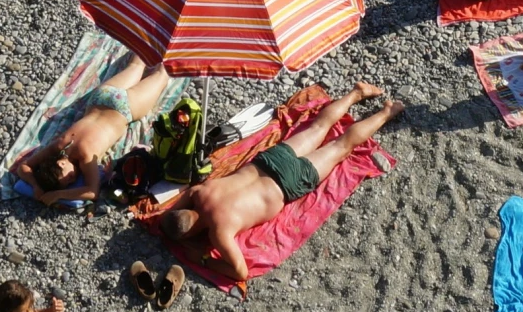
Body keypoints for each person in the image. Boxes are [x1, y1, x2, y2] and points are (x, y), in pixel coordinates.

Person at [156, 84, 403, 291]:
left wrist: (203, 259)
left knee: (341, 147)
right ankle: (355, 93)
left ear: (190, 234)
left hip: (287, 183)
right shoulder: (200, 193)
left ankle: (386, 113)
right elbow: (180, 205)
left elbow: (239, 272)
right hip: (270, 160)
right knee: (318, 127)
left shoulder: (220, 231)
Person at [10, 57, 179, 206]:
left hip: (124, 108)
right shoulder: (60, 144)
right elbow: (23, 167)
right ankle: (150, 32)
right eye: (69, 183)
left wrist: (58, 194)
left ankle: (174, 44)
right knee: (136, 64)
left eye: (67, 178)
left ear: (61, 163)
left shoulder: (85, 156)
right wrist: (36, 185)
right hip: (101, 97)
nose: (73, 180)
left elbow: (93, 192)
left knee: (161, 75)